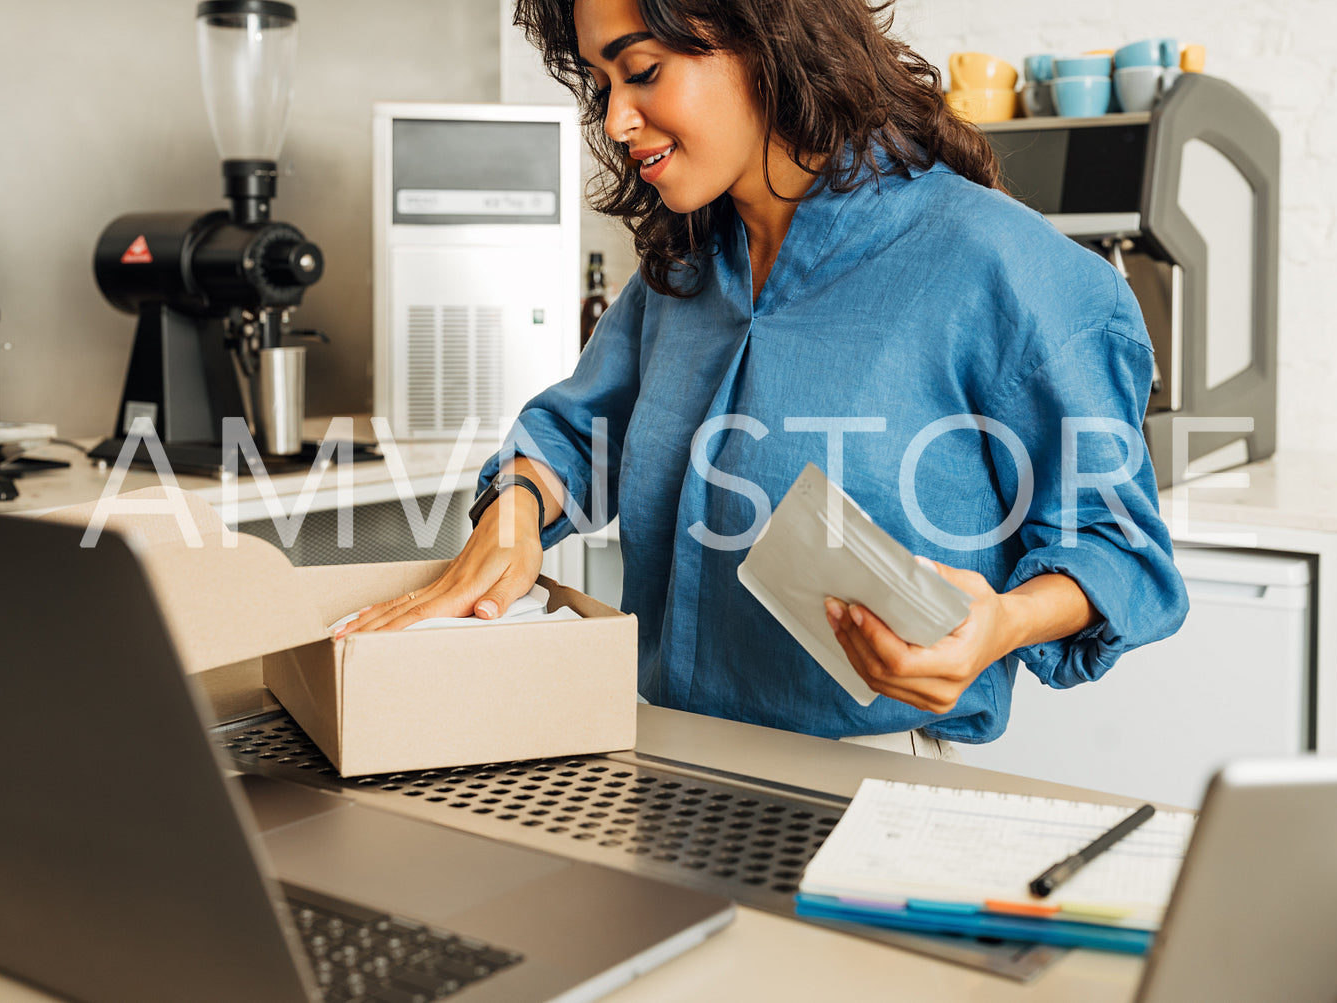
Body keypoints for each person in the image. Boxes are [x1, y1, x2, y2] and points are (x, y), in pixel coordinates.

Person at [341, 0, 1189, 760]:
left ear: (767, 39)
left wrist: (1002, 621)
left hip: (876, 780)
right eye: (601, 83)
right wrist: (515, 515)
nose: (615, 118)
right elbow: (575, 433)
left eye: (640, 71)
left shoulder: (1003, 267)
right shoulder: (683, 270)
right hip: (657, 757)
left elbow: (1119, 551)